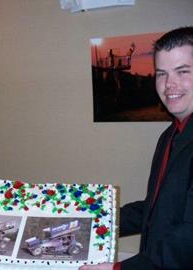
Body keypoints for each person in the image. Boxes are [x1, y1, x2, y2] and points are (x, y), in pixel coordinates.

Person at [81, 26, 193, 270]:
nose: (169, 85)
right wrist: (93, 220)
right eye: (162, 74)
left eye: (182, 71)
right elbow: (157, 208)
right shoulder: (170, 135)